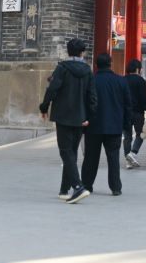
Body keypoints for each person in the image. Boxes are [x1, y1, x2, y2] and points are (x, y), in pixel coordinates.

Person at [39, 37, 97, 204]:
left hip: (64, 116)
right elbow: (92, 96)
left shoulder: (62, 68)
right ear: (82, 53)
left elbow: (52, 89)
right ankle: (64, 190)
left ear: (68, 51)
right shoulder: (87, 71)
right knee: (71, 152)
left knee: (66, 152)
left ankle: (78, 187)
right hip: (80, 117)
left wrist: (44, 107)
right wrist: (89, 117)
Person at [80, 52, 130, 196]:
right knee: (113, 158)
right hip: (114, 126)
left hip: (93, 125)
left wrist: (83, 122)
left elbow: (84, 103)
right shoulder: (121, 81)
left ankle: (87, 185)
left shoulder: (91, 80)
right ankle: (116, 187)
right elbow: (128, 106)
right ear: (110, 64)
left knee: (90, 157)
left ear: (96, 65)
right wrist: (126, 126)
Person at [122, 59, 146, 169]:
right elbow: (144, 98)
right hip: (138, 112)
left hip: (125, 112)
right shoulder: (140, 80)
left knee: (127, 137)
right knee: (140, 134)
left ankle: (128, 161)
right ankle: (133, 153)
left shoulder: (123, 80)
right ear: (137, 69)